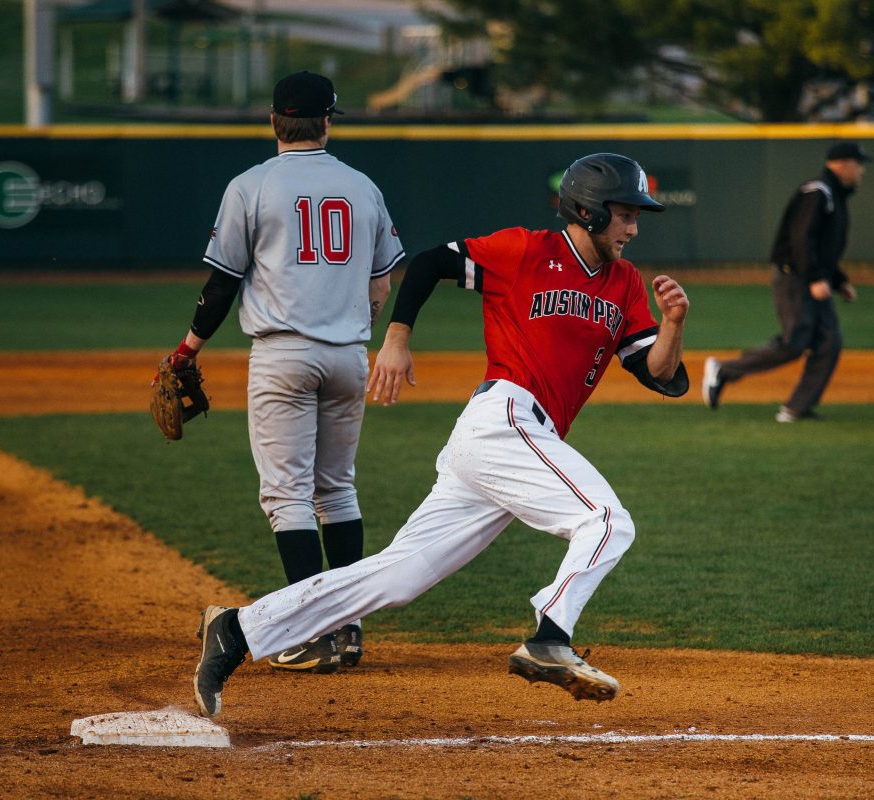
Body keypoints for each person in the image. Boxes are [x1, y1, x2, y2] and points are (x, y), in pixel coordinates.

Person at [193, 152, 690, 717]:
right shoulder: (526, 250)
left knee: (399, 577)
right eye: (626, 214)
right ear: (590, 210)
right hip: (505, 420)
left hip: (507, 442)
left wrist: (672, 325)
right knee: (606, 520)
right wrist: (397, 337)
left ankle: (237, 629)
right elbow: (430, 262)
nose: (634, 227)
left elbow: (659, 374)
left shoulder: (624, 284)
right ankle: (551, 637)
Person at [159, 71, 405, 674]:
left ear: (273, 121)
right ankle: (347, 628)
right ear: (328, 121)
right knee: (337, 490)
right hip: (349, 356)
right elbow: (383, 278)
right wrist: (358, 322)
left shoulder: (250, 186)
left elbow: (222, 283)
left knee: (287, 496)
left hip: (282, 356)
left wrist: (187, 349)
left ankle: (309, 632)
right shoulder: (362, 186)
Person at [702, 141, 870, 422]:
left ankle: (797, 408)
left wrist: (839, 280)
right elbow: (802, 238)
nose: (861, 171)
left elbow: (824, 247)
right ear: (842, 164)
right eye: (858, 164)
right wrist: (817, 278)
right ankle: (723, 371)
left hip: (813, 278)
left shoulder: (833, 195)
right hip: (796, 277)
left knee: (829, 342)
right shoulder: (818, 192)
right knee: (796, 342)